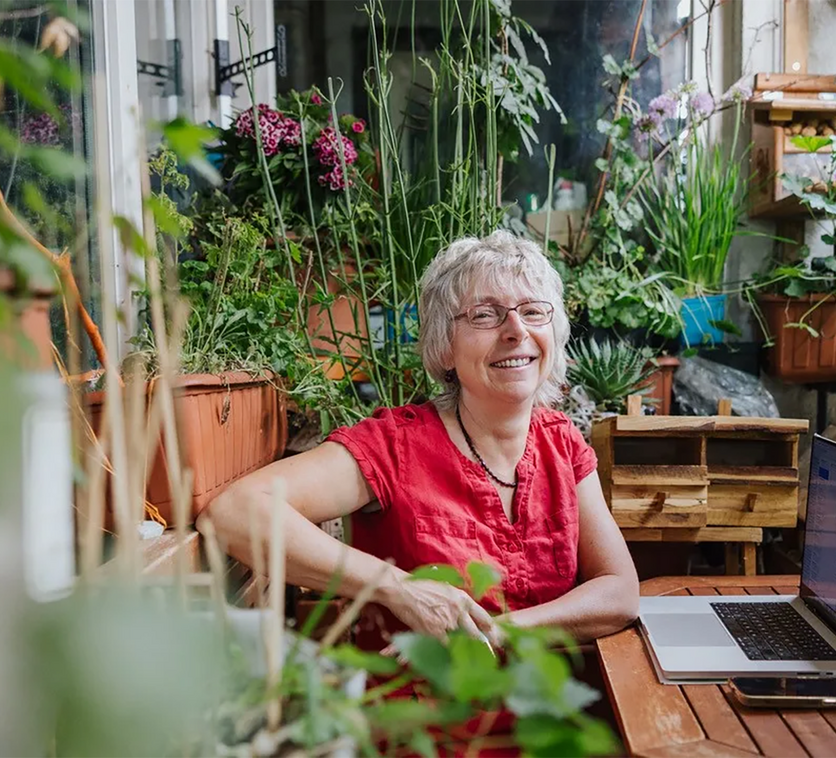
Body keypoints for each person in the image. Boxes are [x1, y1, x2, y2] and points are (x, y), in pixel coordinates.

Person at [206, 230, 639, 653]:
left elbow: (619, 592)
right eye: (485, 315)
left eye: (532, 312)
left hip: (552, 714)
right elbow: (235, 511)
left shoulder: (560, 443)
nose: (515, 330)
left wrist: (499, 630)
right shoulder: (396, 446)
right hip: (426, 717)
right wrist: (399, 589)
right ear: (445, 346)